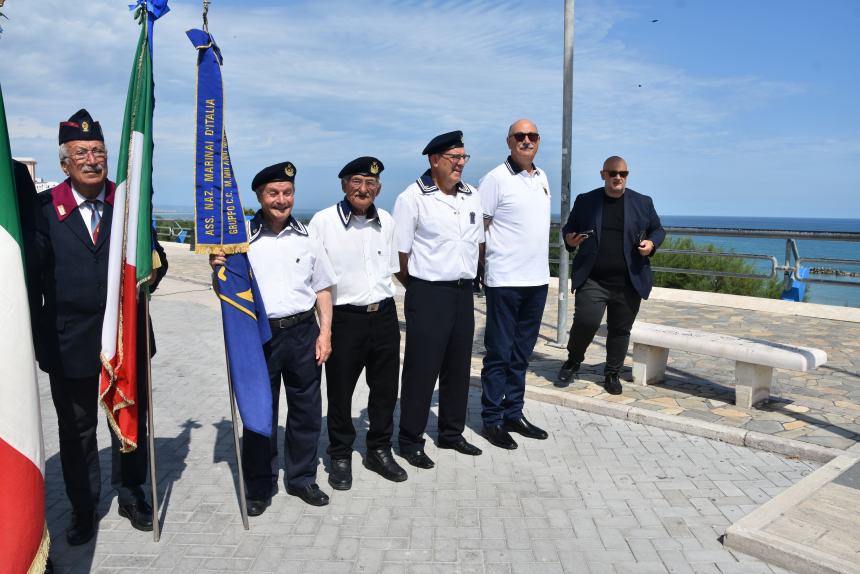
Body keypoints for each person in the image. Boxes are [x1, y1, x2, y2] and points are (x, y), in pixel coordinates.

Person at [30, 109, 167, 545]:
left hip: (126, 338)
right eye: (81, 152)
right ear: (64, 163)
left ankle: (131, 494)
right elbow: (31, 273)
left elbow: (153, 255)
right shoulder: (45, 210)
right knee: (77, 432)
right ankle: (85, 508)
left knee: (128, 420)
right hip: (68, 341)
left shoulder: (126, 203)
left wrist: (152, 271)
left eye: (99, 152)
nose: (92, 159)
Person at [210, 161, 335, 512]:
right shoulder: (240, 242)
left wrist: (325, 333)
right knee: (259, 411)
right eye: (273, 193)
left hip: (303, 332)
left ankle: (301, 479)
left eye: (287, 192)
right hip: (260, 335)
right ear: (259, 197)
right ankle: (260, 486)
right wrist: (218, 269)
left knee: (307, 411)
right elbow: (226, 292)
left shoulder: (308, 236)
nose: (282, 199)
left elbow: (323, 287)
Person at [308, 156, 407, 490]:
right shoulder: (322, 223)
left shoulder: (388, 222)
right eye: (357, 182)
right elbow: (311, 276)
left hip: (383, 315)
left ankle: (379, 449)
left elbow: (391, 268)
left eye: (370, 184)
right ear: (344, 184)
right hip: (344, 318)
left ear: (378, 189)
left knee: (384, 389)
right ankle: (339, 454)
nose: (363, 189)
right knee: (340, 392)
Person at [393, 130, 484, 469]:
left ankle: (451, 432)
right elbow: (400, 256)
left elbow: (477, 243)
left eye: (463, 157)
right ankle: (410, 439)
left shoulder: (472, 196)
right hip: (428, 292)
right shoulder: (412, 198)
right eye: (454, 158)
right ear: (434, 160)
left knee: (458, 367)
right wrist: (419, 288)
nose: (461, 163)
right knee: (421, 369)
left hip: (463, 293)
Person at [556, 156, 665, 394]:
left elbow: (658, 229)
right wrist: (569, 239)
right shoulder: (586, 201)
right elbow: (568, 229)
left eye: (623, 174)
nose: (618, 178)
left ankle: (612, 373)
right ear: (603, 174)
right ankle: (574, 360)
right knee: (586, 321)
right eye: (613, 173)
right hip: (593, 278)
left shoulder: (642, 202)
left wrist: (651, 244)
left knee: (620, 329)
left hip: (629, 281)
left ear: (627, 175)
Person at [478, 119, 551, 450]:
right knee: (499, 353)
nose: (526, 140)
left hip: (537, 280)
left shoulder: (542, 177)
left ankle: (514, 413)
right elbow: (480, 227)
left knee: (522, 354)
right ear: (509, 141)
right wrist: (482, 268)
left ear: (538, 141)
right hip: (505, 280)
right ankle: (492, 419)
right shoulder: (494, 179)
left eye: (531, 136)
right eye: (520, 136)